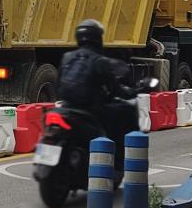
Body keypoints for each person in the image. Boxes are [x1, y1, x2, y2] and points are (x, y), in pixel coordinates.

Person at [57, 19, 141, 170]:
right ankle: (117, 163)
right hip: (90, 111)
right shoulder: (99, 61)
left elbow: (59, 84)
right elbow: (115, 89)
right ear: (97, 38)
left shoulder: (67, 57)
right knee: (124, 111)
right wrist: (131, 92)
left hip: (65, 108)